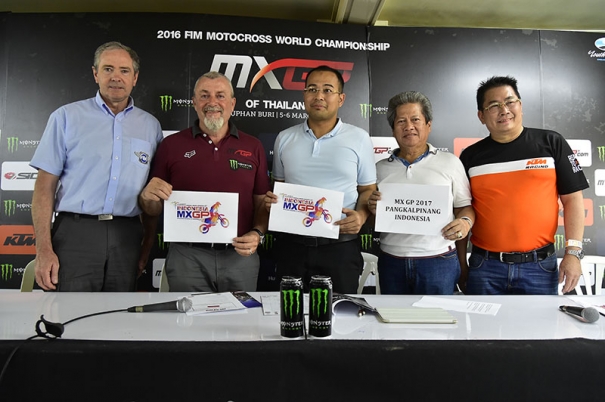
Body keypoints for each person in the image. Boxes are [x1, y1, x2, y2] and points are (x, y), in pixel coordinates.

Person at [30, 41, 163, 292]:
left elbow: (152, 193)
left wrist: (146, 247)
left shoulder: (151, 126)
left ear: (135, 78)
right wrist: (43, 248)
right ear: (95, 74)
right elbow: (44, 188)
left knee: (118, 313)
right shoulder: (66, 117)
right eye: (108, 69)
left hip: (128, 235)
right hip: (76, 233)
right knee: (71, 311)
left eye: (124, 71)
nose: (116, 77)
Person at [139, 71, 270, 292]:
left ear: (232, 103)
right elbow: (153, 209)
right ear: (194, 102)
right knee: (188, 314)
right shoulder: (171, 145)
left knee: (239, 315)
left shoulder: (253, 146)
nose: (212, 102)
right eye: (204, 95)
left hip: (239, 256)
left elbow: (262, 204)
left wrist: (257, 233)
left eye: (220, 96)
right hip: (187, 256)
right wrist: (146, 197)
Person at [459, 76, 589, 295]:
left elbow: (573, 200)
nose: (504, 110)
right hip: (485, 268)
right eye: (493, 105)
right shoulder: (470, 157)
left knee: (541, 320)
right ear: (481, 116)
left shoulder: (551, 143)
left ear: (520, 105)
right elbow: (461, 210)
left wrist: (573, 252)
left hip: (540, 267)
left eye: (510, 102)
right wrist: (462, 264)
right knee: (481, 320)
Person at [265, 65, 377, 294]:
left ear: (341, 98)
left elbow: (367, 189)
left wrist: (361, 216)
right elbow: (279, 186)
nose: (319, 96)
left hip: (340, 247)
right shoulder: (284, 138)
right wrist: (272, 202)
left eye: (327, 90)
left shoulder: (359, 138)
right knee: (289, 312)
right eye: (312, 89)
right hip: (292, 247)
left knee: (339, 312)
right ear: (304, 95)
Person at [367, 91, 474, 295]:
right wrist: (373, 211)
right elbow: (373, 222)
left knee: (438, 316)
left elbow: (464, 207)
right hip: (391, 261)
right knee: (393, 315)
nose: (409, 126)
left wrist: (465, 222)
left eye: (415, 119)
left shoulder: (450, 162)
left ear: (428, 125)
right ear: (393, 129)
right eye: (401, 121)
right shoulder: (379, 169)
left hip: (439, 261)